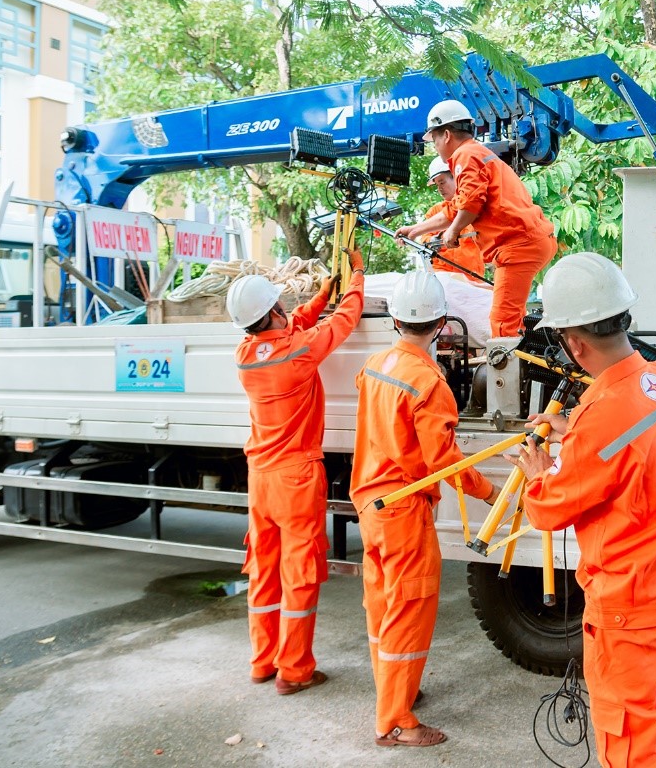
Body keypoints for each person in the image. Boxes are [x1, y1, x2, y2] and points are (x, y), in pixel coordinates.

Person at [512, 253, 656, 768]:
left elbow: (547, 511)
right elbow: (638, 445)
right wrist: (578, 434)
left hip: (633, 616)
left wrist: (540, 473)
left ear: (574, 344)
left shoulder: (601, 422)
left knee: (632, 747)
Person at [352, 270, 499, 748]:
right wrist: (486, 490)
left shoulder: (376, 365)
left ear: (395, 319)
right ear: (441, 325)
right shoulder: (429, 384)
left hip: (372, 504)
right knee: (409, 610)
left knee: (383, 605)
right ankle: (394, 720)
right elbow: (442, 462)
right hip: (404, 508)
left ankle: (393, 693)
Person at [227, 250, 365, 695]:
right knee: (300, 572)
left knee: (264, 571)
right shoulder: (298, 353)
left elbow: (294, 326)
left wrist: (322, 293)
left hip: (260, 477)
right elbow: (345, 321)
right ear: (272, 311)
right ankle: (295, 670)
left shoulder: (247, 355)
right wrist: (356, 276)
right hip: (296, 476)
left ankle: (262, 661)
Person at [396, 100, 557, 338]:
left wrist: (452, 232)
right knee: (513, 318)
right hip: (529, 242)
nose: (435, 147)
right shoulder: (477, 153)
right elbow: (456, 208)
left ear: (447, 135)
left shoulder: (465, 155)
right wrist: (416, 230)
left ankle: (507, 374)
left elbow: (471, 203)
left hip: (518, 246)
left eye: (435, 140)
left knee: (502, 324)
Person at [419, 156, 486, 280]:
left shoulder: (475, 208)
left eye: (442, 182)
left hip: (471, 277)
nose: (439, 188)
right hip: (442, 275)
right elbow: (424, 241)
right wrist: (436, 240)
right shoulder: (435, 211)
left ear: (457, 179)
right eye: (437, 184)